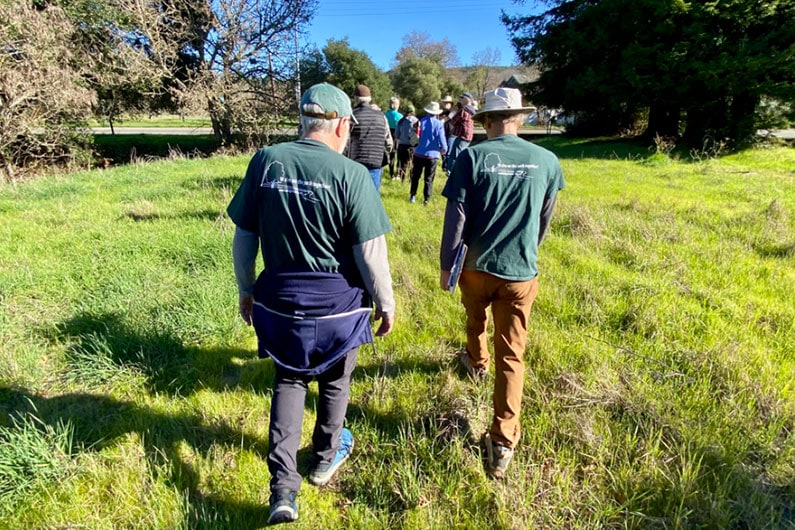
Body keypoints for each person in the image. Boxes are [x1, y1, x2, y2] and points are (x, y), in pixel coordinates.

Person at [227, 82, 396, 524]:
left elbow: (245, 235)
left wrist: (246, 289)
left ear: (305, 121)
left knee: (289, 380)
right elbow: (369, 252)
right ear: (341, 124)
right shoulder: (353, 175)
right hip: (339, 307)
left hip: (279, 305)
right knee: (336, 381)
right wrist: (386, 303)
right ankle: (324, 458)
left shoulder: (267, 161)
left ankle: (283, 489)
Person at [439, 87, 564, 480]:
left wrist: (447, 265)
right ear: (520, 118)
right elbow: (543, 220)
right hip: (520, 272)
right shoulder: (548, 161)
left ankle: (475, 362)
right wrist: (527, 251)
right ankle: (503, 441)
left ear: (486, 121)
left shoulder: (470, 157)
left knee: (475, 317)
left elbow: (455, 217)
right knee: (513, 354)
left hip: (475, 267)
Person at [348, 84, 393, 191]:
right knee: (373, 195)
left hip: (356, 163)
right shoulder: (382, 116)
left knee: (355, 195)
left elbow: (346, 142)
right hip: (376, 162)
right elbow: (389, 143)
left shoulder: (352, 116)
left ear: (355, 99)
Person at [409, 101, 447, 206]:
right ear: (437, 112)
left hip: (419, 153)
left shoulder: (421, 121)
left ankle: (413, 195)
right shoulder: (439, 124)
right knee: (429, 178)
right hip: (432, 155)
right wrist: (444, 149)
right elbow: (442, 139)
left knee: (416, 176)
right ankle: (426, 199)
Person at [444, 92, 476, 174]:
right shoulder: (472, 110)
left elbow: (453, 121)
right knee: (462, 155)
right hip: (468, 136)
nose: (461, 100)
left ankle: (451, 173)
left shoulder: (464, 109)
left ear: (467, 99)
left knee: (454, 155)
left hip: (462, 135)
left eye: (462, 98)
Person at [394, 104, 419, 182]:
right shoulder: (417, 121)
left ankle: (402, 179)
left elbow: (396, 135)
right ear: (413, 112)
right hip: (413, 145)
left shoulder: (401, 121)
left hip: (402, 145)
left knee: (402, 164)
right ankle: (411, 180)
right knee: (412, 164)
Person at [384, 96, 403, 180]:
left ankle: (391, 173)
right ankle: (398, 173)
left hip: (388, 136)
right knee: (399, 156)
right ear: (396, 105)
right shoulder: (400, 116)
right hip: (398, 137)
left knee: (391, 156)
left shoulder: (385, 115)